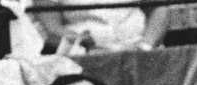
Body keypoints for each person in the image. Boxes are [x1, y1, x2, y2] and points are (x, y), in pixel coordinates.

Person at [38, 0, 168, 54]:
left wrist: (146, 46)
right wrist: (87, 47)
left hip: (142, 53)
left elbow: (159, 8)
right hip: (85, 58)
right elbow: (53, 28)